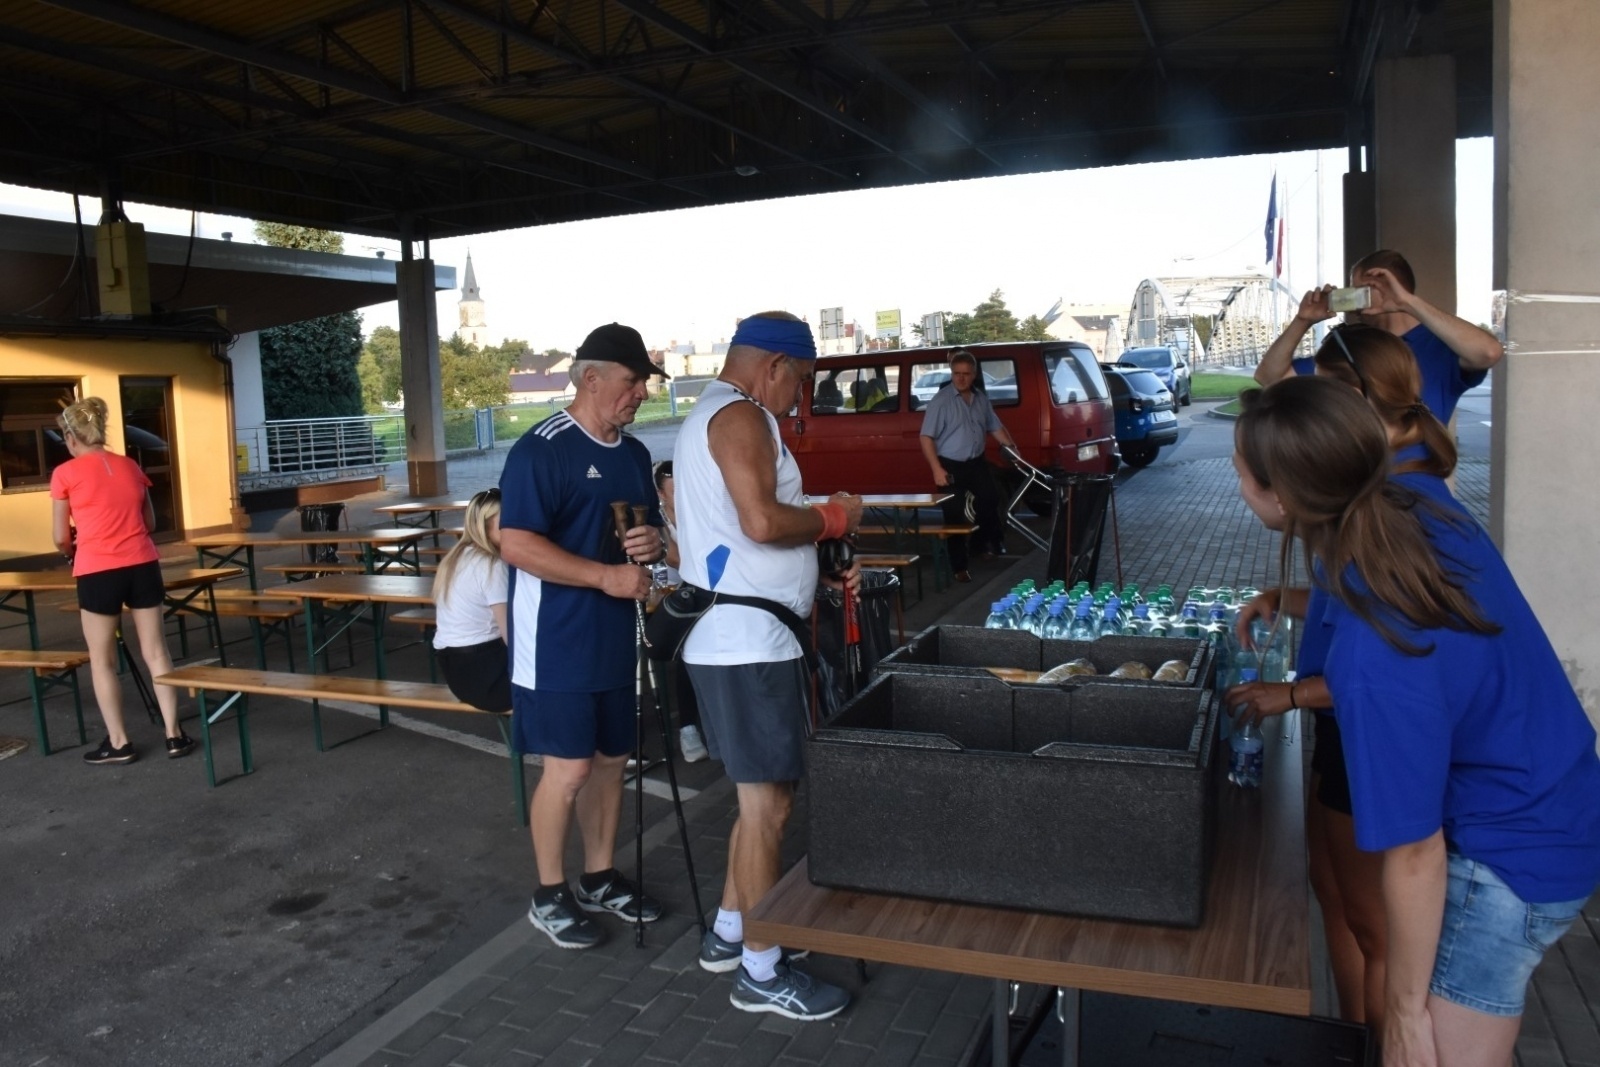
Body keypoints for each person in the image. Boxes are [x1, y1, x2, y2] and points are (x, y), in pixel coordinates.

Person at [1232, 375, 1600, 1067]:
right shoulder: (1416, 507)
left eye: (1242, 471)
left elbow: (1413, 854)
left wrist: (1402, 1014)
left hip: (1509, 854)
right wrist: (1288, 594)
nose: (1237, 480)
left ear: (1282, 497)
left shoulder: (1376, 657)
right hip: (1558, 803)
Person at [1227, 324, 1463, 1031]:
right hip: (1345, 734)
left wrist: (1291, 694)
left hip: (1386, 753)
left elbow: (1388, 669)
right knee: (1337, 897)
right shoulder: (1361, 514)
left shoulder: (1396, 518)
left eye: (1242, 474)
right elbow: (1345, 614)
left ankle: (1380, 1036)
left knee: (1374, 924)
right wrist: (1283, 597)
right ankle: (1354, 1034)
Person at [675, 310, 863, 1021]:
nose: (799, 399)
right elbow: (760, 521)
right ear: (774, 367)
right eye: (801, 383)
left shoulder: (720, 413)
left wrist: (816, 553)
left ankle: (732, 931)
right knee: (768, 807)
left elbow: (748, 524)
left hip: (746, 637)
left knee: (764, 801)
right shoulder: (741, 415)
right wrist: (835, 518)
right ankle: (760, 968)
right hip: (747, 644)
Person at [498, 322, 671, 950]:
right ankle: (549, 893)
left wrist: (652, 544)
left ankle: (599, 876)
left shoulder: (634, 454)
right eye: (632, 381)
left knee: (611, 762)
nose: (641, 392)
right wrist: (604, 577)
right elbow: (516, 544)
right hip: (555, 641)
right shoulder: (542, 449)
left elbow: (651, 535)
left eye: (645, 382)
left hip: (615, 637)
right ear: (591, 379)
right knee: (569, 769)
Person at [49, 397, 194, 765]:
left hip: (97, 569)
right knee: (156, 651)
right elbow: (150, 523)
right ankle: (174, 734)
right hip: (142, 564)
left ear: (71, 437)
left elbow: (60, 537)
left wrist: (73, 549)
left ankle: (119, 742)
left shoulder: (65, 473)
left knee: (102, 660)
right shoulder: (130, 465)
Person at [1253, 249, 1504, 423]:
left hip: (1414, 481)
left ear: (1374, 287)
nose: (1352, 302)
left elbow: (1489, 352)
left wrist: (1406, 302)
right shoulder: (1351, 347)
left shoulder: (1440, 347)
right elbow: (1269, 377)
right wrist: (1303, 320)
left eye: (1357, 291)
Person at [918, 349, 1018, 582]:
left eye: (965, 374)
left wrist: (1012, 448)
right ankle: (959, 566)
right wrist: (936, 469)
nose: (961, 378)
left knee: (990, 499)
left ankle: (980, 544)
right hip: (949, 465)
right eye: (956, 373)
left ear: (974, 375)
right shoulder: (941, 401)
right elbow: (926, 437)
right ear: (951, 373)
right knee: (953, 514)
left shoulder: (980, 399)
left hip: (976, 462)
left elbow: (995, 427)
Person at [430, 488, 510, 713]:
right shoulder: (492, 565)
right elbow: (511, 638)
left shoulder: (455, 556)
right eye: (506, 522)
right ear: (484, 526)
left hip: (457, 675)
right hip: (488, 679)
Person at [651, 460, 708, 763]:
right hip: (662, 600)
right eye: (675, 491)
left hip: (692, 594)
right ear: (661, 494)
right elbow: (675, 558)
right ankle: (688, 728)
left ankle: (706, 721)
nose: (683, 495)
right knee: (690, 645)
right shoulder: (656, 519)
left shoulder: (698, 512)